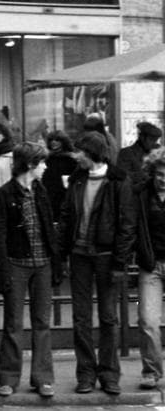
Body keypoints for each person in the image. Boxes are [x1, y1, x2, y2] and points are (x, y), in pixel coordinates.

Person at [59, 131, 135, 395]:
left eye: (78, 152)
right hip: (79, 255)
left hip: (106, 257)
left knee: (108, 318)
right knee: (81, 318)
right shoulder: (78, 179)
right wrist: (63, 252)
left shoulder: (118, 179)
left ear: (90, 152)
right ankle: (86, 374)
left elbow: (127, 225)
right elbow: (67, 215)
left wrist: (119, 263)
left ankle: (109, 374)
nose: (74, 156)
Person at [0, 142, 63, 398]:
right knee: (13, 323)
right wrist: (2, 272)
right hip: (16, 265)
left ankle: (43, 378)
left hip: (42, 264)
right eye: (41, 162)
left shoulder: (41, 191)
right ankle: (8, 378)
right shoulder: (3, 195)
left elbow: (49, 230)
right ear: (30, 164)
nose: (45, 167)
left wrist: (56, 264)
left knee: (42, 323)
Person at [134, 147, 165, 390]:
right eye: (160, 174)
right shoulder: (142, 195)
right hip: (151, 264)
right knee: (148, 319)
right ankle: (151, 371)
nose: (163, 179)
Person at [41, 131, 77, 223]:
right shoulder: (47, 158)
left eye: (57, 140)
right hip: (49, 193)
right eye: (51, 140)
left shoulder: (71, 159)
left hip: (65, 194)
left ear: (63, 142)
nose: (54, 142)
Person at [118, 121, 163, 186]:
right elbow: (122, 176)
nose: (154, 143)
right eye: (151, 140)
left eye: (155, 140)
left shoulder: (156, 151)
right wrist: (144, 175)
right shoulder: (126, 153)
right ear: (142, 137)